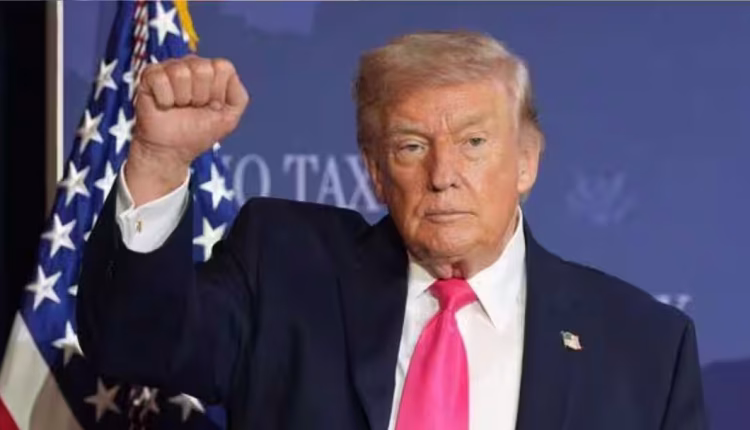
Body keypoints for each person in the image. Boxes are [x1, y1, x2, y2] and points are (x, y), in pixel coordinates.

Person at [78, 31, 708, 430]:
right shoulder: (287, 269)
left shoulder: (644, 348)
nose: (443, 175)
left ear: (527, 161)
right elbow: (137, 345)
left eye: (474, 143)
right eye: (411, 146)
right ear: (377, 173)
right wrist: (160, 162)